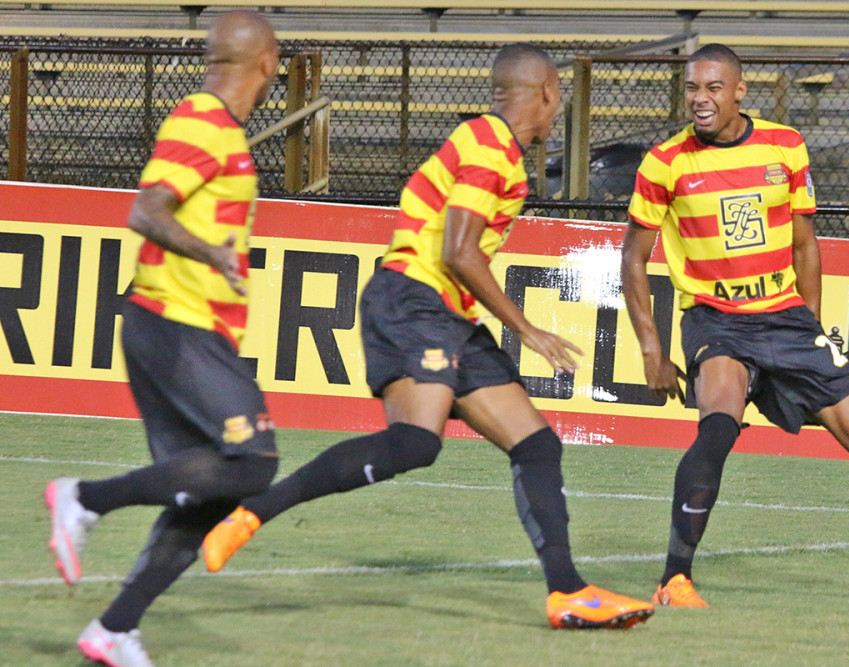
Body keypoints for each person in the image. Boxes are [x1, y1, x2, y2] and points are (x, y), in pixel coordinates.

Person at [201, 43, 654, 630]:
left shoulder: (496, 150)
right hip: (415, 299)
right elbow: (459, 250)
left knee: (536, 445)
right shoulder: (490, 146)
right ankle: (251, 512)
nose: (556, 112)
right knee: (416, 443)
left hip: (444, 312)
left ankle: (568, 592)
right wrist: (527, 329)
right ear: (547, 92)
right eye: (557, 99)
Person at [621, 43, 849, 609]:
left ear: (739, 90)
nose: (701, 99)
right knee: (718, 424)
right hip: (716, 319)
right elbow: (632, 257)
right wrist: (651, 349)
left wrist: (812, 326)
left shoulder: (785, 146)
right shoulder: (666, 161)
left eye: (713, 88)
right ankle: (675, 579)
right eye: (693, 88)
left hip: (789, 320)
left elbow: (805, 244)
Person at [45, 11, 281, 665]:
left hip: (190, 327)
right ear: (267, 61)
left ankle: (114, 628)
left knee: (212, 489)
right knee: (255, 461)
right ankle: (82, 498)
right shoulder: (203, 121)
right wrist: (210, 251)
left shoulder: (220, 129)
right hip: (177, 322)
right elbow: (146, 208)